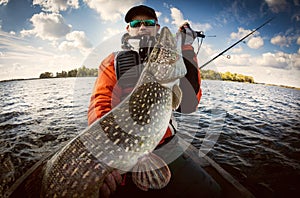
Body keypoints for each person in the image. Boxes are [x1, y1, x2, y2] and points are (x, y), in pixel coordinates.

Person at [87, 5, 219, 197]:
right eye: (135, 23)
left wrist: (186, 46)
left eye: (148, 23)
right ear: (128, 29)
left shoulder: (171, 63)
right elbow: (101, 104)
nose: (142, 27)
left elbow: (189, 104)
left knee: (212, 193)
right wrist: (107, 156)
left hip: (166, 148)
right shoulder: (112, 61)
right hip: (120, 150)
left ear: (156, 27)